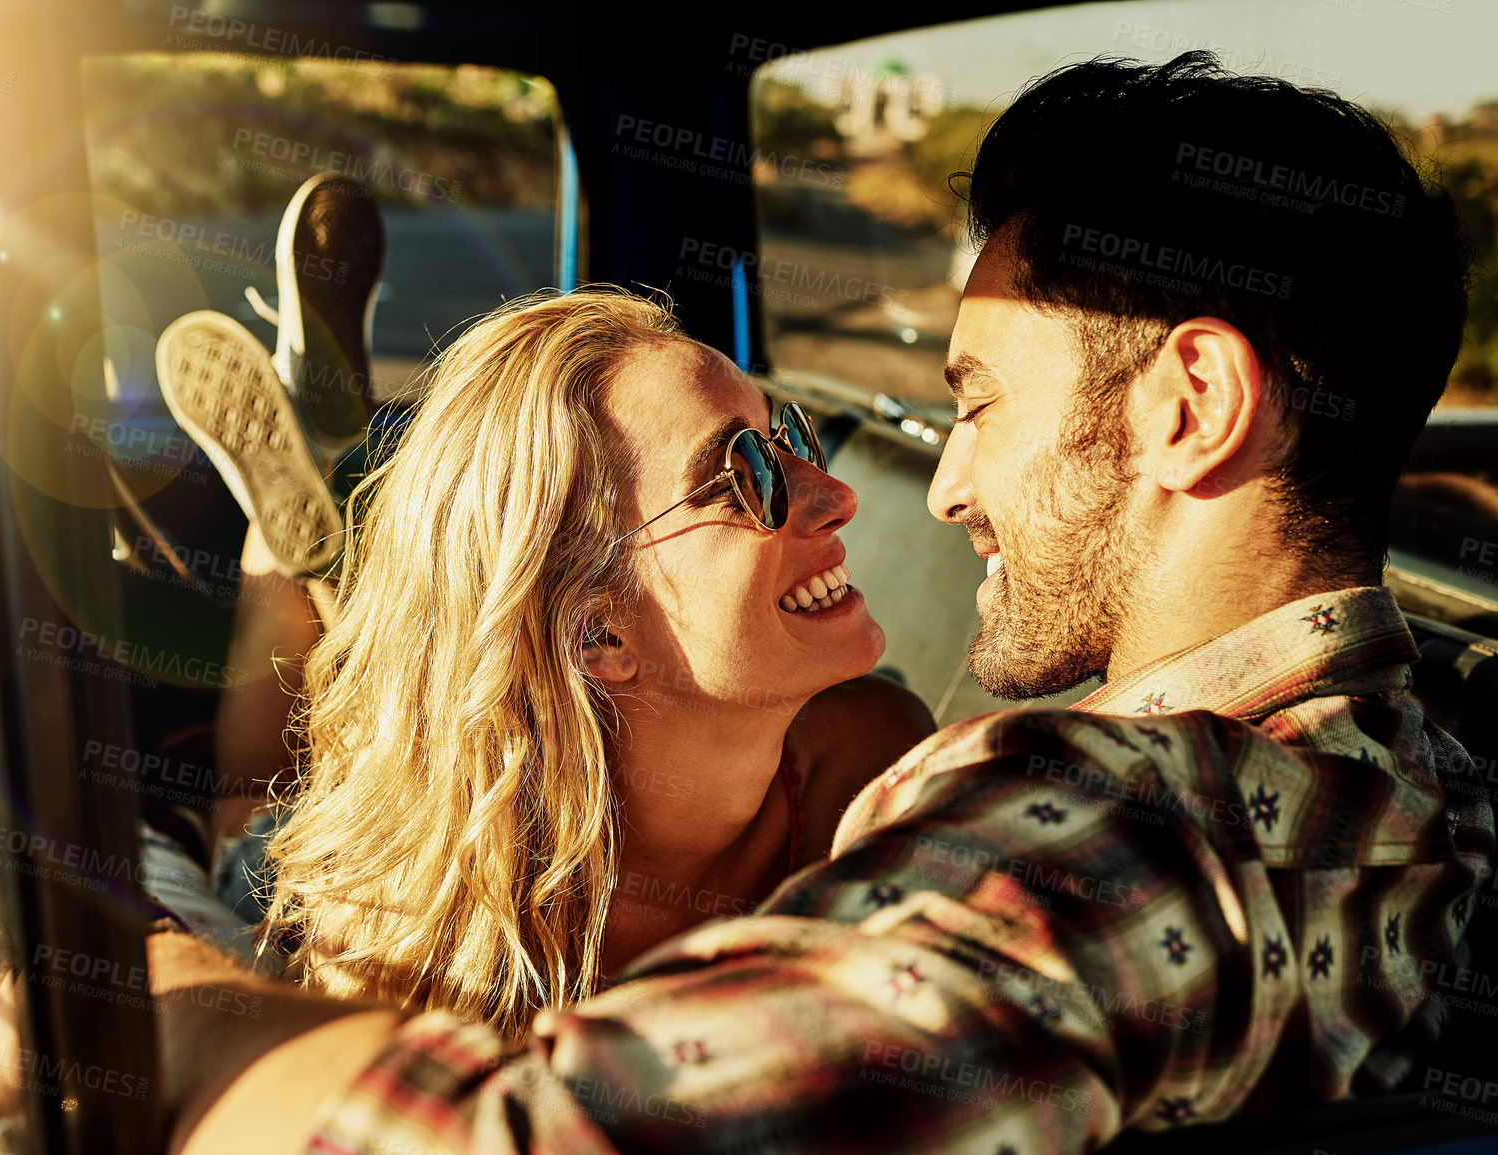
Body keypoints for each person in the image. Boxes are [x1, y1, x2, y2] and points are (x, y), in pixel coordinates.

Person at [147, 52, 1495, 1155]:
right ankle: (307, 553)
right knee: (290, 812)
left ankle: (300, 561)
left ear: (1189, 406)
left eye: (973, 400)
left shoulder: (1095, 841)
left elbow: (489, 1136)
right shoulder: (1408, 770)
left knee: (231, 853)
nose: (935, 485)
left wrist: (94, 993)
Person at [258, 286, 934, 1035]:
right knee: (240, 825)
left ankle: (319, 494)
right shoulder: (405, 930)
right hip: (312, 850)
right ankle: (279, 545)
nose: (835, 494)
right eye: (741, 474)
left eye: (785, 441)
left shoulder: (885, 761)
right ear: (597, 634)